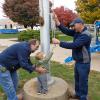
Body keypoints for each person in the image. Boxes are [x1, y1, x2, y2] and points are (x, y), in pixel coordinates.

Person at [52, 13, 92, 100]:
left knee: (83, 82)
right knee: (77, 80)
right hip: (78, 61)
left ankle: (83, 97)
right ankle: (78, 95)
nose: (73, 27)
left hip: (84, 63)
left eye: (74, 25)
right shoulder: (77, 32)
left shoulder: (86, 35)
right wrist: (57, 20)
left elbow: (74, 45)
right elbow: (66, 31)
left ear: (80, 24)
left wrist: (59, 42)